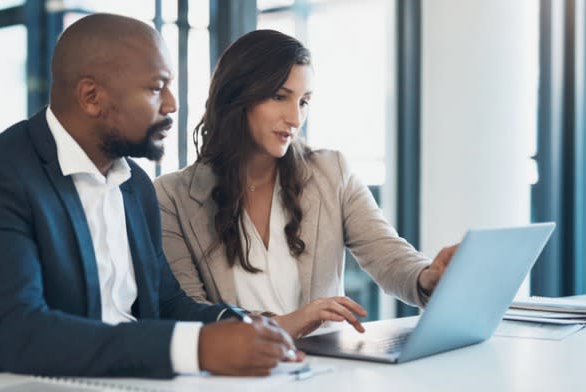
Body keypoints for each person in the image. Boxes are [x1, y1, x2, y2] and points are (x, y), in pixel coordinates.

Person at [0, 14, 296, 381]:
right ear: (92, 97)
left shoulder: (134, 185)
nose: (172, 104)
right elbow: (20, 332)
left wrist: (237, 322)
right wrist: (198, 348)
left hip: (120, 385)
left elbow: (165, 301)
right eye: (157, 88)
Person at [154, 29, 459, 339]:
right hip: (236, 377)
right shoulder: (171, 197)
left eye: (303, 102)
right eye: (280, 97)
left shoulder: (331, 172)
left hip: (325, 373)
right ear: (237, 96)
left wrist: (427, 276)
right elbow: (186, 311)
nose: (295, 118)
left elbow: (387, 254)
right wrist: (284, 324)